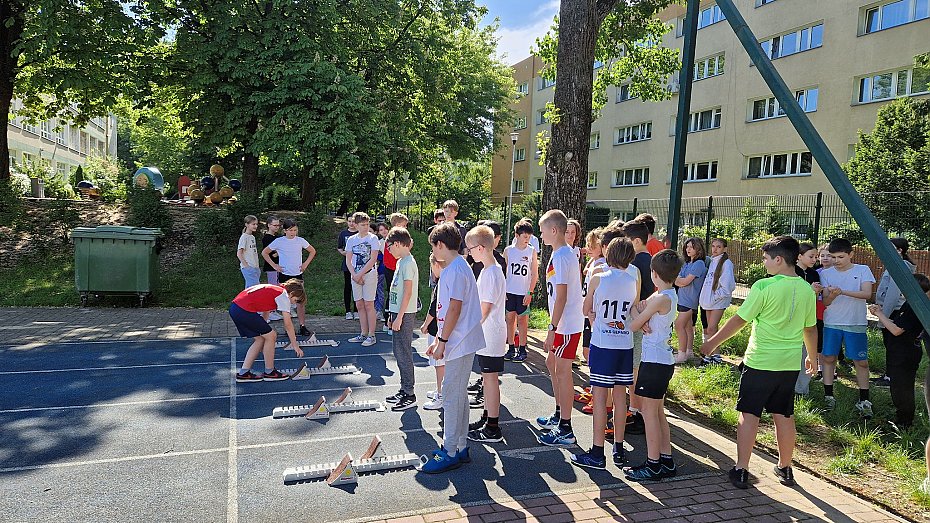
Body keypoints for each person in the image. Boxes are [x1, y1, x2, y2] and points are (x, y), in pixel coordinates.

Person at [701, 236, 818, 490]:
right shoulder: (807, 289)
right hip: (788, 365)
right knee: (784, 415)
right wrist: (812, 356)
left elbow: (739, 320)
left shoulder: (763, 287)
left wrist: (712, 343)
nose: (763, 263)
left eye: (765, 258)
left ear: (778, 259)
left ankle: (742, 469)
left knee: (749, 414)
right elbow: (810, 329)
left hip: (760, 362)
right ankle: (785, 468)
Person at [418, 222, 486, 473]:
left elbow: (455, 308)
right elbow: (448, 310)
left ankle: (450, 450)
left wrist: (443, 341)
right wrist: (438, 339)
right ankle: (459, 445)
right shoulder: (457, 267)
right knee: (457, 393)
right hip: (458, 338)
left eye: (433, 247)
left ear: (440, 245)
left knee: (450, 393)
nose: (433, 253)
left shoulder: (455, 269)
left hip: (459, 340)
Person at [570, 236, 638, 469]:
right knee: (621, 396)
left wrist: (594, 317)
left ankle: (597, 451)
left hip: (603, 343)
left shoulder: (599, 278)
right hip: (624, 343)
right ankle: (618, 446)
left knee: (600, 397)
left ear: (609, 253)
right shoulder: (633, 279)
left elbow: (585, 307)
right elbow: (634, 308)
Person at [623, 249, 684, 480]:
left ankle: (653, 463)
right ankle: (665, 460)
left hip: (654, 362)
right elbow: (636, 310)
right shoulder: (668, 294)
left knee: (649, 414)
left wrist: (642, 319)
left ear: (654, 274)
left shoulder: (660, 298)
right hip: (662, 360)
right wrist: (643, 317)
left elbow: (633, 322)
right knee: (658, 413)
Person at [536, 210, 585, 446]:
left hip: (566, 325)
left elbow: (563, 296)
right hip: (563, 324)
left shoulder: (564, 256)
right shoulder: (559, 253)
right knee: (551, 363)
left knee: (564, 371)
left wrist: (552, 327)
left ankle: (566, 427)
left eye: (543, 229)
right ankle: (559, 414)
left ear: (554, 230)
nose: (541, 234)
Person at [817, 238, 875, 418]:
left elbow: (867, 294)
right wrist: (833, 296)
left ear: (851, 254)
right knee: (828, 358)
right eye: (833, 257)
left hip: (855, 322)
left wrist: (842, 291)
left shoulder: (863, 270)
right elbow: (825, 301)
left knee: (861, 362)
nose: (836, 261)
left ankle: (864, 400)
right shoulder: (826, 273)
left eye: (840, 257)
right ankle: (828, 396)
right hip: (831, 322)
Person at [869, 272, 928, 428]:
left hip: (905, 353)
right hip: (901, 352)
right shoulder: (910, 303)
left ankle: (905, 422)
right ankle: (901, 417)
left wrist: (879, 314)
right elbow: (896, 324)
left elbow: (896, 330)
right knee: (898, 386)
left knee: (903, 388)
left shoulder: (914, 307)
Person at [466, 225, 508, 442]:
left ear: (481, 248)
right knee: (486, 379)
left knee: (490, 380)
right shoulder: (487, 270)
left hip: (491, 334)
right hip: (488, 333)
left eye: (470, 248)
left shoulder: (491, 272)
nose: (469, 252)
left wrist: (470, 327)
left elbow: (485, 307)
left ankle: (493, 427)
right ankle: (486, 417)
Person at [230, 280, 307, 382]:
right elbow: (288, 324)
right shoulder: (283, 295)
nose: (294, 303)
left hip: (236, 308)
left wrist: (264, 332)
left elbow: (266, 311)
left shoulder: (275, 290)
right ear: (291, 294)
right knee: (272, 336)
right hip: (243, 310)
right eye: (296, 300)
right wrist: (295, 345)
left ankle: (244, 372)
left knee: (261, 339)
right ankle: (270, 372)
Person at [621, 219, 654, 435]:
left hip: (638, 321)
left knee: (634, 371)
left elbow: (638, 296)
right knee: (635, 369)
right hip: (642, 320)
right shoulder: (648, 260)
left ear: (635, 241)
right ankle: (636, 411)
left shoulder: (638, 264)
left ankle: (636, 413)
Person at [872, 237, 917, 387]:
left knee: (894, 346)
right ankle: (889, 375)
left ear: (899, 250)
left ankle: (891, 377)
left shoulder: (901, 266)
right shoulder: (894, 265)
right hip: (889, 311)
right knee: (890, 345)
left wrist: (883, 316)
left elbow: (893, 293)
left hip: (894, 311)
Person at [261, 218, 316, 336]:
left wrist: (305, 264)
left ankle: (302, 326)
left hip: (297, 274)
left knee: (300, 302)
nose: (293, 233)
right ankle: (288, 327)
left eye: (295, 230)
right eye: (290, 230)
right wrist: (274, 265)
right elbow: (265, 252)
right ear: (285, 230)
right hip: (284, 275)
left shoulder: (300, 240)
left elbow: (312, 251)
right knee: (285, 303)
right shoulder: (279, 241)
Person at [384, 227, 419, 411]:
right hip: (398, 313)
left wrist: (399, 317)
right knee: (398, 352)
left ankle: (410, 393)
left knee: (404, 352)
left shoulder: (408, 263)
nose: (388, 250)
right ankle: (404, 389)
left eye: (389, 246)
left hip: (404, 314)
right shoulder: (400, 262)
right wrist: (391, 314)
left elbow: (408, 292)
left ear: (397, 244)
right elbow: (395, 292)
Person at [503, 220, 539, 363]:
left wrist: (530, 292)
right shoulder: (508, 251)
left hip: (523, 292)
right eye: (524, 237)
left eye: (529, 237)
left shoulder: (531, 251)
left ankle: (522, 348)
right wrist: (503, 291)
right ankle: (511, 347)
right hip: (510, 291)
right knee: (510, 319)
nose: (527, 240)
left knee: (523, 320)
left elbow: (534, 273)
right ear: (516, 235)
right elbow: (503, 272)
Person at [345, 212, 382, 347]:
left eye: (367, 224)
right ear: (356, 225)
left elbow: (373, 259)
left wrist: (360, 274)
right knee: (359, 305)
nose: (366, 227)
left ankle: (371, 334)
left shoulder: (373, 239)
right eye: (363, 224)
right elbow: (348, 260)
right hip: (355, 275)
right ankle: (363, 333)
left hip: (369, 274)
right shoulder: (351, 240)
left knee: (368, 304)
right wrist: (355, 275)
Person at [697, 238, 736, 367]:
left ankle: (711, 356)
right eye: (713, 246)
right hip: (709, 301)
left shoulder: (727, 263)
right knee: (709, 328)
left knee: (713, 327)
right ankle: (714, 354)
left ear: (724, 249)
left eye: (718, 247)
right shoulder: (713, 261)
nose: (715, 249)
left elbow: (727, 286)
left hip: (718, 301)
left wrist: (715, 296)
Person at [794, 242, 821, 396]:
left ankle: (801, 389)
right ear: (799, 256)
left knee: (806, 352)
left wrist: (815, 293)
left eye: (816, 256)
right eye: (811, 256)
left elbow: (814, 299)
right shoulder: (791, 272)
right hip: (792, 318)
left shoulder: (814, 274)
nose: (814, 259)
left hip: (808, 317)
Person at [674, 238, 707, 362]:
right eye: (687, 246)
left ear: (698, 249)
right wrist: (678, 280)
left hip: (689, 300)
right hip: (683, 299)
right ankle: (689, 352)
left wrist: (675, 279)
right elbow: (679, 280)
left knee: (679, 325)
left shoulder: (699, 264)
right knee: (688, 327)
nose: (688, 249)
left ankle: (681, 355)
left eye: (691, 247)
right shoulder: (688, 263)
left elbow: (684, 281)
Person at [420, 254, 446, 411]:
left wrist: (425, 324)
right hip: (438, 328)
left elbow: (435, 307)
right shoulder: (442, 281)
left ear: (436, 265)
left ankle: (441, 394)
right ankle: (440, 391)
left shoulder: (442, 282)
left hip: (438, 328)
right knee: (440, 364)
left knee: (439, 364)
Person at [262, 216, 284, 321]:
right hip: (271, 267)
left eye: (278, 225)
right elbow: (273, 254)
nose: (277, 227)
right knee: (272, 289)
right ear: (269, 225)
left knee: (278, 288)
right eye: (274, 225)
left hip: (279, 266)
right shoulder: (267, 238)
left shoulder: (277, 237)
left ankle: (274, 309)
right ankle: (269, 311)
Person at [337, 217, 359, 320]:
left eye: (353, 222)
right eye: (349, 221)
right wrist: (344, 253)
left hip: (358, 264)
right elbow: (340, 247)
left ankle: (356, 310)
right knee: (348, 287)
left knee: (357, 287)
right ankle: (348, 311)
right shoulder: (343, 234)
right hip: (347, 264)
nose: (351, 223)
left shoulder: (360, 233)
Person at [237, 215, 261, 289]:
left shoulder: (252, 237)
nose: (255, 226)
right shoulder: (244, 237)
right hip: (249, 267)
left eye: (256, 224)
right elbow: (239, 253)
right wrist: (246, 266)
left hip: (255, 267)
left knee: (251, 289)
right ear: (247, 224)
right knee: (253, 289)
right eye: (253, 224)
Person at [375, 222, 389, 328]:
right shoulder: (379, 242)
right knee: (379, 290)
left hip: (390, 268)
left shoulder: (392, 240)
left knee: (388, 290)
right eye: (381, 230)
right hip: (381, 269)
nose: (383, 231)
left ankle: (387, 313)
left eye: (385, 229)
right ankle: (379, 310)